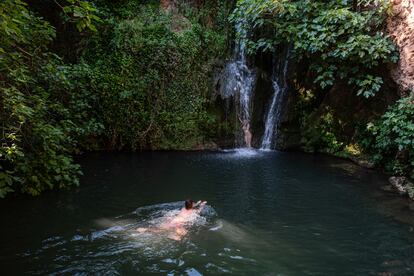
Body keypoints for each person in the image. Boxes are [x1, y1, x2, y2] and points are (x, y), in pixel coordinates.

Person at [136, 199, 207, 241]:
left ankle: (145, 229)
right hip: (178, 223)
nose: (194, 204)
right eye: (193, 203)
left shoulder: (184, 208)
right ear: (192, 205)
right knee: (184, 234)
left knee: (161, 229)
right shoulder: (193, 211)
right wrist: (202, 205)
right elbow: (199, 210)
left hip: (172, 220)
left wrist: (198, 203)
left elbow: (191, 206)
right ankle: (171, 235)